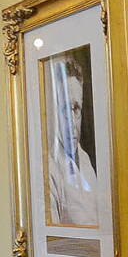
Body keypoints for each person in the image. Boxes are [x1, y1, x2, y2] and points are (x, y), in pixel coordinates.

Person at [43, 57, 100, 229]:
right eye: (65, 109)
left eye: (76, 109)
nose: (71, 121)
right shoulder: (48, 169)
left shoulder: (86, 161)